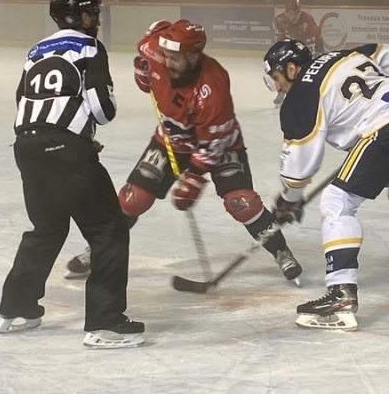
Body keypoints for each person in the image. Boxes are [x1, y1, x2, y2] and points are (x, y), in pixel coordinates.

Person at [66, 19, 303, 284]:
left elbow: (213, 143)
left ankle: (280, 250)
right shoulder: (155, 52)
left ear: (193, 56)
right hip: (172, 140)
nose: (167, 63)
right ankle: (99, 251)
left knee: (242, 203)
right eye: (165, 55)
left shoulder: (213, 85)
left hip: (220, 143)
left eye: (175, 58)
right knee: (132, 200)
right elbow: (152, 37)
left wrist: (194, 179)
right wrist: (143, 74)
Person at [263, 39, 389, 331]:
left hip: (386, 128)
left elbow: (299, 166)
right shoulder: (345, 54)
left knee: (337, 200)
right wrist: (386, 102)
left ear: (291, 68)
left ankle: (341, 296)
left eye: (276, 77)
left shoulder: (299, 97)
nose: (277, 87)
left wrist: (289, 200)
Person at [0, 0, 144, 348]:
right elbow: (102, 109)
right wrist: (75, 135)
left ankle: (17, 307)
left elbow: (23, 101)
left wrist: (73, 135)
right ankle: (106, 324)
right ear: (77, 16)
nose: (97, 18)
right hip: (65, 149)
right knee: (109, 230)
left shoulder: (36, 51)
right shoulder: (90, 47)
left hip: (27, 146)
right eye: (92, 12)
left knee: (46, 228)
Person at [272, 0, 324, 107]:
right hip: (292, 44)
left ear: (300, 12)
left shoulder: (308, 21)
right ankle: (281, 91)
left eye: (296, 13)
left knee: (310, 71)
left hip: (313, 44)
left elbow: (310, 50)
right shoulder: (279, 21)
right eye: (290, 13)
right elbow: (281, 43)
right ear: (286, 13)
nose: (293, 16)